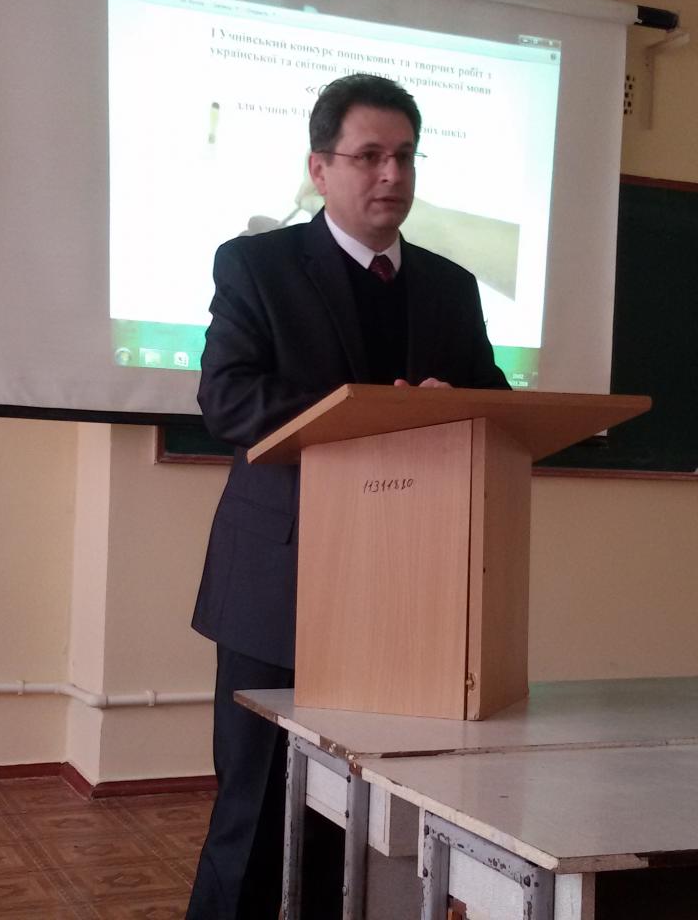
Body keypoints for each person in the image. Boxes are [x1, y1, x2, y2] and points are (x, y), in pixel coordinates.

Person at [187, 73, 510, 920]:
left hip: (406, 592)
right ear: (320, 168)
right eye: (369, 156)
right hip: (281, 582)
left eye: (405, 156)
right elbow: (228, 398)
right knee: (255, 812)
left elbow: (495, 400)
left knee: (360, 816)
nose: (391, 175)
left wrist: (452, 406)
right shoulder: (256, 265)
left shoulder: (449, 285)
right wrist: (366, 416)